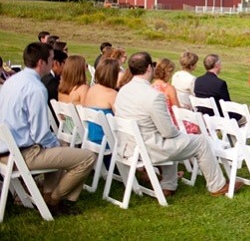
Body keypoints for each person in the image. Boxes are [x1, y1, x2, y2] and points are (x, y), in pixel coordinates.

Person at [115, 52, 233, 197]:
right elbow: (168, 132)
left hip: (128, 145)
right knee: (200, 141)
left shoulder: (124, 90)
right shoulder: (153, 96)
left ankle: (168, 185)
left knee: (173, 139)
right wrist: (182, 135)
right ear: (148, 68)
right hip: (149, 148)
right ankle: (217, 186)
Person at [0, 42, 95, 216]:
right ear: (41, 63)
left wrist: (55, 143)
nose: (55, 63)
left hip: (5, 149)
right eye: (52, 59)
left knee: (56, 146)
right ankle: (56, 199)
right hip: (20, 154)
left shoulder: (12, 80)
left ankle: (49, 193)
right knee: (87, 157)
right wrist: (58, 144)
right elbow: (40, 134)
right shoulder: (36, 88)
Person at [194, 54, 244, 125]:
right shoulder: (220, 83)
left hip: (204, 115)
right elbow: (227, 104)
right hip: (219, 116)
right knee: (244, 118)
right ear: (217, 65)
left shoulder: (198, 80)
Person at [152, 58, 199, 134]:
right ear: (167, 73)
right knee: (198, 125)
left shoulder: (151, 86)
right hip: (171, 122)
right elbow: (177, 109)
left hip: (158, 120)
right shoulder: (168, 88)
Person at [83, 59, 120, 145]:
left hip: (91, 136)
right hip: (106, 139)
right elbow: (120, 117)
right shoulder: (112, 94)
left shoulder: (91, 89)